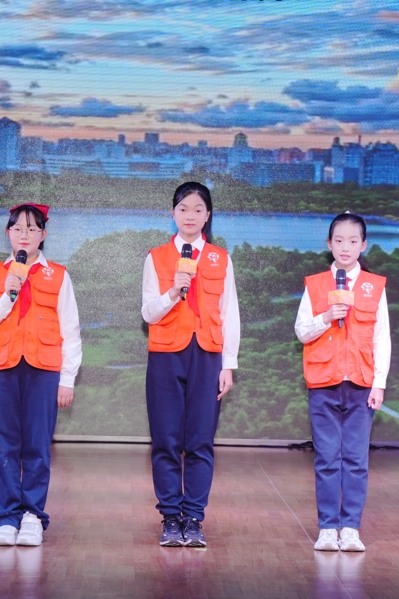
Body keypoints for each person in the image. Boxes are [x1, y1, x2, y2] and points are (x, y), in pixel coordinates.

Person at [0, 203, 82, 547]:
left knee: (37, 444)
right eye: (18, 228)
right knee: (4, 443)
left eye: (32, 229)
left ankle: (33, 515)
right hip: (3, 367)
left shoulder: (59, 275)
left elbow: (71, 331)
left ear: (43, 234)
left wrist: (67, 379)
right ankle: (7, 518)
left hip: (44, 370)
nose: (24, 234)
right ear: (8, 233)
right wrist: (7, 295)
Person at [141, 181, 240, 547]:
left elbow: (230, 313)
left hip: (207, 356)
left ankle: (194, 518)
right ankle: (170, 516)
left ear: (207, 215)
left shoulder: (220, 258)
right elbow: (148, 312)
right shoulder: (156, 257)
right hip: (166, 356)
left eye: (198, 209)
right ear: (173, 213)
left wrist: (228, 364)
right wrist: (173, 291)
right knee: (166, 439)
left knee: (200, 441)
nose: (190, 216)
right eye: (183, 209)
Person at [295, 212, 390, 552]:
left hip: (361, 385)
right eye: (339, 240)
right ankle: (327, 527)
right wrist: (325, 317)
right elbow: (301, 331)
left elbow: (382, 338)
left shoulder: (374, 286)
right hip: (323, 383)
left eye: (353, 241)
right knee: (326, 458)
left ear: (363, 245)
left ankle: (350, 527)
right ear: (329, 244)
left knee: (355, 459)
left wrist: (379, 383)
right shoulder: (316, 285)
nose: (345, 247)